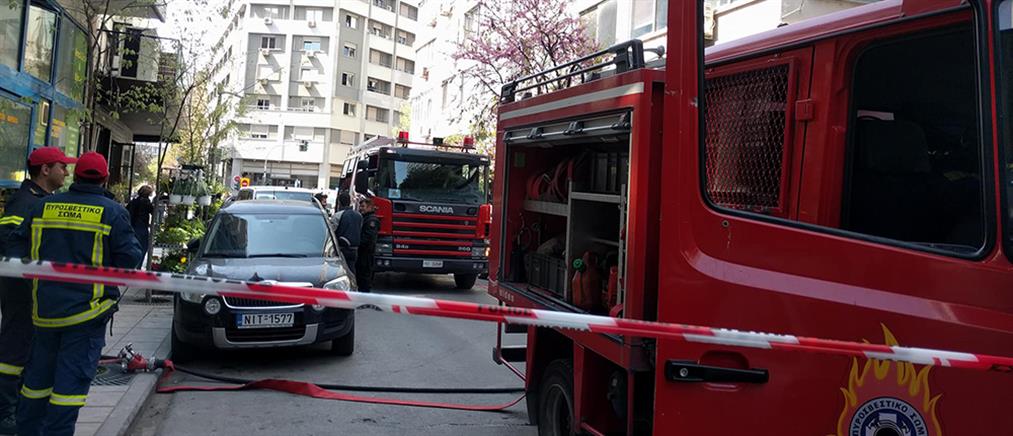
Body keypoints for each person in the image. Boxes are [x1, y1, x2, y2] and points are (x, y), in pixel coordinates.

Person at [9, 152, 143, 436]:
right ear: (105, 177)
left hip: (44, 314)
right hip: (86, 315)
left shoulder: (43, 206)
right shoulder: (112, 212)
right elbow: (130, 259)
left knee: (35, 386)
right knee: (67, 393)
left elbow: (15, 248)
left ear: (76, 175)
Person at [0, 148, 75, 435]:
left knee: (26, 347)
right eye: (61, 167)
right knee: (14, 348)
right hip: (21, 288)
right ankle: (4, 412)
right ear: (45, 170)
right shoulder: (25, 202)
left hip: (33, 288)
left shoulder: (42, 201)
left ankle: (18, 408)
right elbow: (9, 243)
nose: (65, 172)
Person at [331, 192, 362, 269]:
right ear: (349, 201)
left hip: (341, 248)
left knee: (340, 270)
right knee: (351, 269)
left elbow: (332, 232)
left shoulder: (337, 215)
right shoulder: (359, 215)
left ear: (339, 203)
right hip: (354, 249)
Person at [356, 197, 380, 293]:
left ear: (370, 207)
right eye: (360, 206)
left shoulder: (371, 220)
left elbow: (368, 238)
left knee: (364, 277)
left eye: (363, 206)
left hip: (366, 254)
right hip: (363, 253)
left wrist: (357, 243)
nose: (361, 208)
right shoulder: (365, 218)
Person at [125, 185, 154, 255]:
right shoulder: (147, 203)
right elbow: (153, 212)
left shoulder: (133, 202)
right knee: (142, 246)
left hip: (132, 225)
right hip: (142, 226)